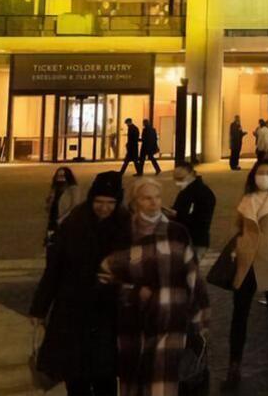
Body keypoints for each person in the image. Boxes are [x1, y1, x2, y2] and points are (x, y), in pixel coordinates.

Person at [100, 176, 210, 396]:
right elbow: (106, 276)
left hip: (170, 321)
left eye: (157, 197)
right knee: (135, 385)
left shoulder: (176, 232)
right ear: (134, 202)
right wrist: (132, 293)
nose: (153, 202)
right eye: (147, 198)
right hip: (133, 325)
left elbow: (194, 278)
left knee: (162, 386)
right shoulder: (124, 235)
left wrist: (201, 321)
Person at [29, 171, 130, 396]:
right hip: (73, 310)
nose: (104, 208)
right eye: (99, 202)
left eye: (110, 203)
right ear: (91, 199)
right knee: (76, 375)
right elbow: (54, 269)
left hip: (108, 313)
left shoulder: (126, 226)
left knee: (105, 376)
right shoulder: (75, 223)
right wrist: (39, 308)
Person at [223, 159, 268, 390]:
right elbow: (237, 225)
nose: (263, 176)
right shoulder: (247, 198)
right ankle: (234, 365)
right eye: (260, 172)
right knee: (239, 313)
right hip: (246, 261)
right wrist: (237, 245)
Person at [167, 162, 216, 251]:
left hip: (195, 241)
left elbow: (201, 220)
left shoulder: (203, 193)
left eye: (181, 178)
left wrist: (177, 215)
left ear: (191, 174)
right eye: (176, 179)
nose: (177, 182)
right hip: (185, 238)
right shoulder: (186, 191)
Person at [44, 166, 82, 248]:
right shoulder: (54, 188)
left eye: (62, 176)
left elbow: (75, 205)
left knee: (64, 240)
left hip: (66, 218)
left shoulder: (73, 189)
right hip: (53, 217)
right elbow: (49, 203)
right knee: (51, 240)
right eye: (58, 176)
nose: (60, 178)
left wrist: (63, 218)